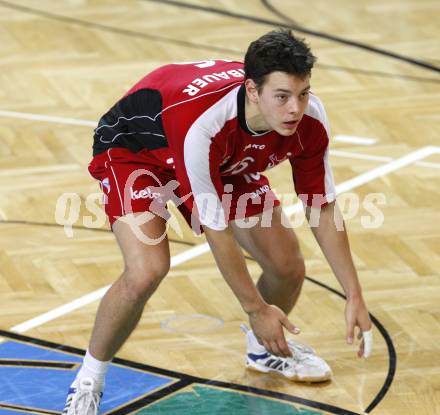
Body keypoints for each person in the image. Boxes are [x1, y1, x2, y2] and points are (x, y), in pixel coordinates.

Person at [63, 29, 373, 415]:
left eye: (303, 93)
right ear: (253, 91)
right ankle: (88, 381)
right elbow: (217, 230)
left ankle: (266, 352)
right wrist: (256, 309)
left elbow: (321, 206)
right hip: (138, 147)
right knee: (147, 269)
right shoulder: (205, 123)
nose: (296, 108)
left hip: (223, 158)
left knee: (287, 266)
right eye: (283, 96)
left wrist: (354, 293)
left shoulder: (309, 118)